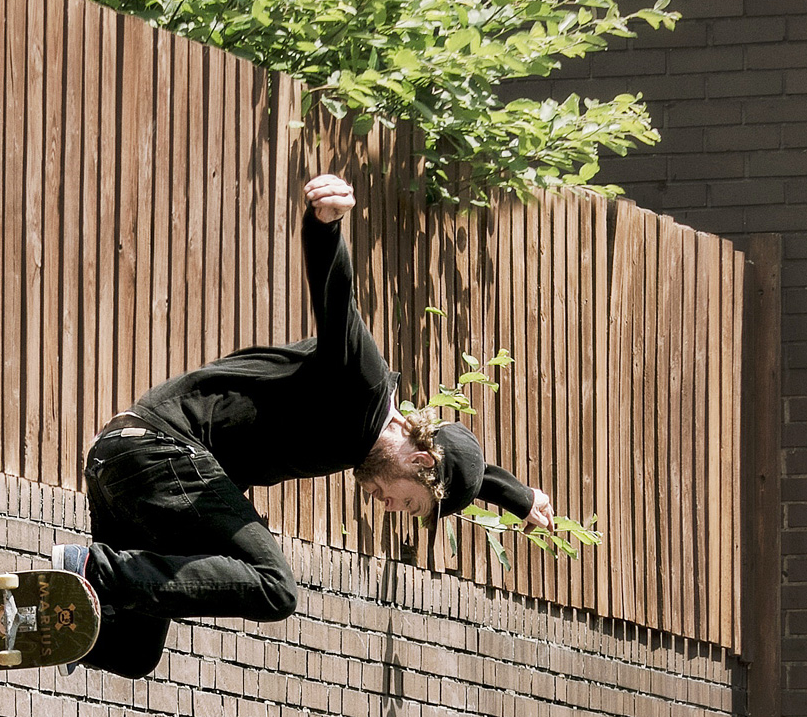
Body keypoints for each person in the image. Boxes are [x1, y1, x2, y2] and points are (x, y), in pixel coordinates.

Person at [40, 174, 555, 679]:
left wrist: (520, 497)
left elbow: (462, 469)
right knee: (275, 586)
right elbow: (339, 305)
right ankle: (93, 568)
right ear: (418, 461)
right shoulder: (364, 384)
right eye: (407, 501)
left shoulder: (393, 446)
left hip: (124, 460)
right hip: (163, 448)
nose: (389, 506)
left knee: (130, 649)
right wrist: (325, 228)